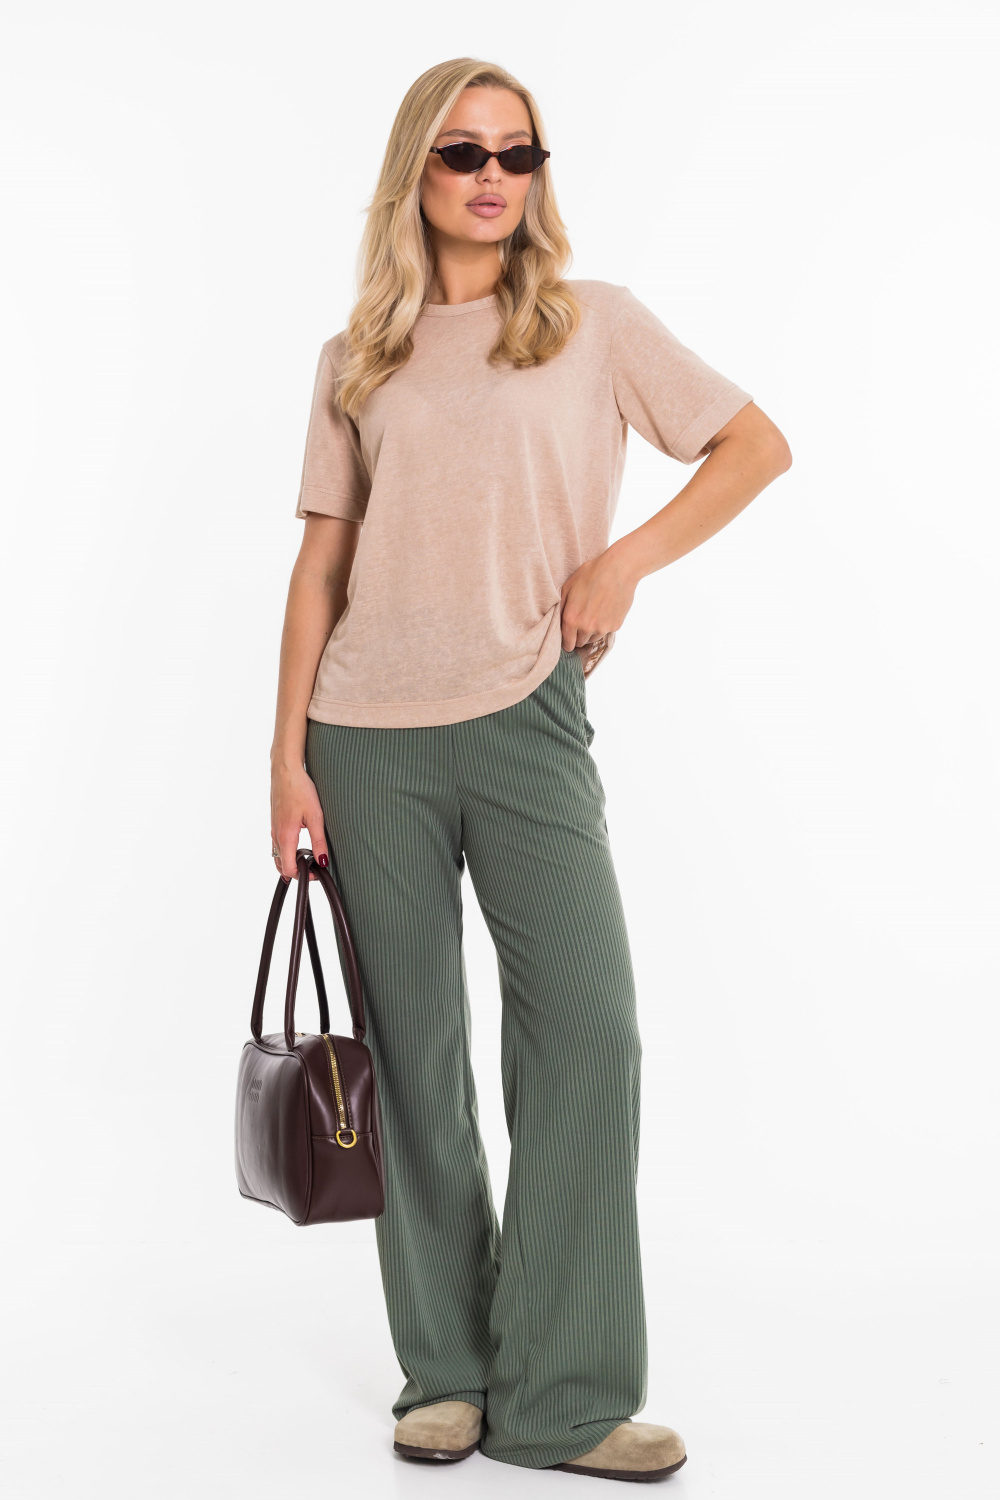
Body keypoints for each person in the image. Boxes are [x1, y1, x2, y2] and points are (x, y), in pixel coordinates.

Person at [269, 56, 791, 1483]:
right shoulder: (355, 358)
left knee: (586, 1038)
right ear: (416, 172)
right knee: (414, 1063)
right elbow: (319, 567)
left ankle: (560, 1393)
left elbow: (753, 446)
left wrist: (621, 564)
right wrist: (285, 759)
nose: (493, 176)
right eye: (463, 152)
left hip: (526, 719)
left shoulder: (593, 323)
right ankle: (446, 1372)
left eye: (519, 153)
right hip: (363, 738)